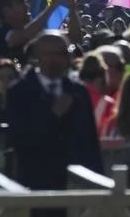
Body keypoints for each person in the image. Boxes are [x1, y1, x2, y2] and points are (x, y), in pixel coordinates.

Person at [6, 31, 103, 192]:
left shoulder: (78, 91)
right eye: (49, 54)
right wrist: (51, 116)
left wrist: (97, 181)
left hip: (75, 183)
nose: (55, 60)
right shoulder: (19, 91)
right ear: (37, 56)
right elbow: (18, 138)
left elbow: (89, 141)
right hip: (34, 182)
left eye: (61, 54)